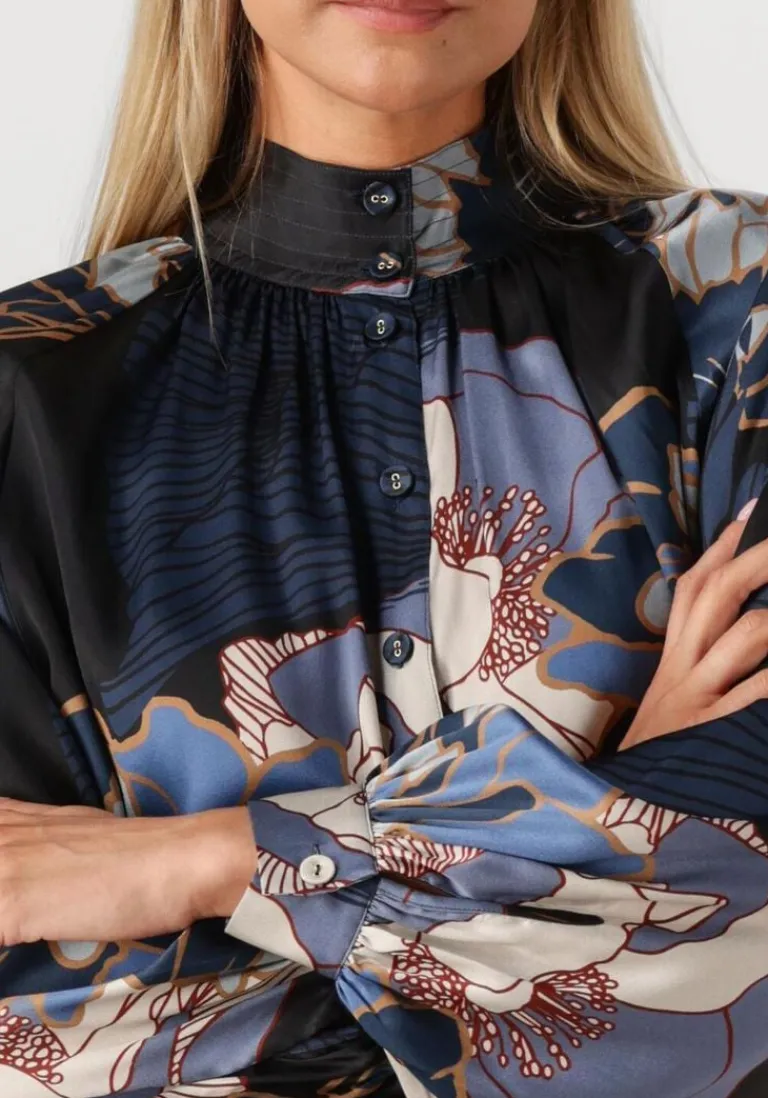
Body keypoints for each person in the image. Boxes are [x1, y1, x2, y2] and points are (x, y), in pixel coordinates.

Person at [0, 0, 767, 1095]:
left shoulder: (736, 311)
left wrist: (208, 861)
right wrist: (610, 835)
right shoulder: (28, 397)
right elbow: (45, 1041)